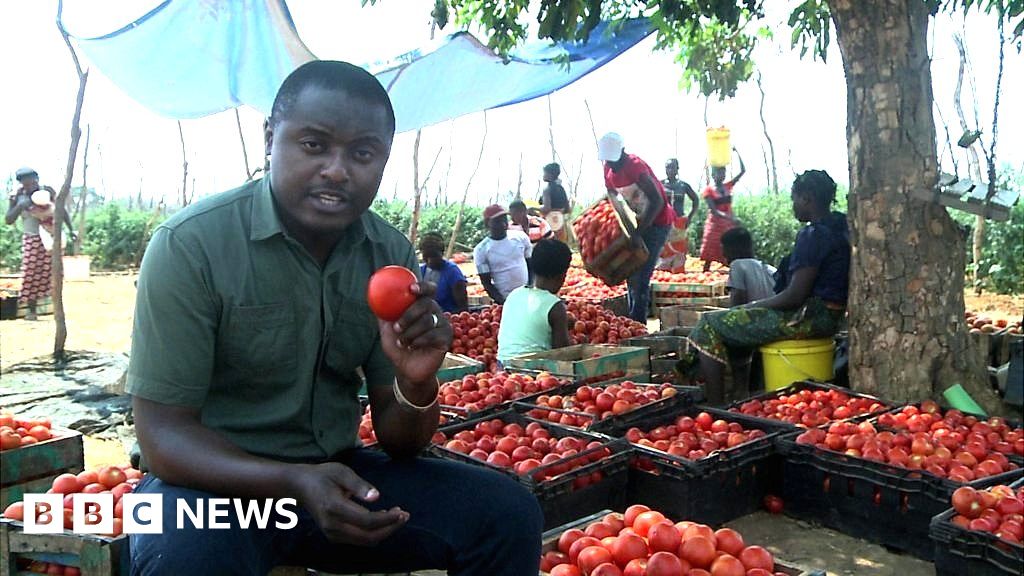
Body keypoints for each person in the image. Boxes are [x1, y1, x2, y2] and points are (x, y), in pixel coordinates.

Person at [126, 60, 542, 576]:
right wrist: (291, 483)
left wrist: (416, 380)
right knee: (186, 565)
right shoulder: (191, 247)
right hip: (207, 486)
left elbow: (401, 442)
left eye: (363, 153)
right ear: (270, 139)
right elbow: (163, 439)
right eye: (314, 144)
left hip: (332, 477)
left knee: (507, 515)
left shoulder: (387, 253)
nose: (338, 170)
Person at [688, 170, 850, 405]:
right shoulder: (840, 224)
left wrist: (752, 306)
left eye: (794, 199)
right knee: (734, 324)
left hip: (809, 318)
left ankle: (715, 406)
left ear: (807, 198)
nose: (793, 205)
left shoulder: (814, 234)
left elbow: (794, 296)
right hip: (831, 316)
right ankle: (741, 394)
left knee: (707, 325)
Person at [598, 132, 676, 323]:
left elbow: (657, 200)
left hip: (657, 223)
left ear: (623, 151)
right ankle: (633, 321)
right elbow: (612, 195)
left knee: (641, 275)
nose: (612, 164)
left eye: (614, 159)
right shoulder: (608, 167)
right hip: (636, 225)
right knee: (631, 273)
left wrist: (638, 233)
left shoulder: (635, 166)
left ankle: (637, 325)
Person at [4, 168, 74, 320]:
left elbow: (62, 211)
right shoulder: (17, 197)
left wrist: (71, 229)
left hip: (52, 237)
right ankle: (31, 310)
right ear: (22, 184)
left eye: (33, 181)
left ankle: (56, 308)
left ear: (37, 179)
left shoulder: (48, 193)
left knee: (54, 273)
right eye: (26, 183)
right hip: (32, 238)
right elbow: (8, 220)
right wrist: (19, 206)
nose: (31, 185)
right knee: (31, 273)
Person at [496, 239, 573, 367]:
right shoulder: (555, 306)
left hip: (502, 369)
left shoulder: (514, 295)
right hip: (534, 373)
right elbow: (562, 355)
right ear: (562, 275)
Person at [473, 204, 532, 305]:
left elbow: (531, 266)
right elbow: (486, 282)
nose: (503, 224)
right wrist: (503, 302)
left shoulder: (521, 237)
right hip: (504, 299)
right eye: (497, 221)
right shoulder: (481, 250)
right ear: (487, 224)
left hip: (527, 296)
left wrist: (531, 288)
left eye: (504, 219)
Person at [700, 149, 746, 271]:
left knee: (729, 251)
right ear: (713, 175)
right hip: (715, 225)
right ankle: (705, 278)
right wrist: (730, 218)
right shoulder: (708, 190)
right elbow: (714, 211)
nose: (722, 175)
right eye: (719, 172)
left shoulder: (727, 186)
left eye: (723, 172)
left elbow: (743, 171)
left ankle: (732, 277)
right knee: (709, 254)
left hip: (727, 225)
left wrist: (737, 153)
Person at [658, 158, 699, 273]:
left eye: (672, 167)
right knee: (663, 250)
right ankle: (663, 277)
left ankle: (678, 276)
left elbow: (696, 200)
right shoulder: (660, 184)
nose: (670, 170)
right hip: (664, 222)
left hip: (679, 223)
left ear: (677, 169)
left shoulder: (683, 185)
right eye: (667, 167)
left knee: (679, 250)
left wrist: (690, 218)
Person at [721, 227, 777, 307]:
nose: (723, 254)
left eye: (724, 248)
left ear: (732, 249)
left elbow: (738, 297)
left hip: (755, 317)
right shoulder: (770, 269)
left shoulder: (737, 265)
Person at [419, 232, 468, 314]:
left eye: (434, 256)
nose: (430, 260)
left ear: (442, 253)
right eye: (426, 256)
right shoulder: (420, 271)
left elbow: (463, 308)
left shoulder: (453, 272)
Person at [539, 163, 571, 242]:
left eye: (545, 173)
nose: (543, 175)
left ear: (550, 174)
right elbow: (568, 209)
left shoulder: (547, 190)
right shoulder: (561, 188)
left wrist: (532, 208)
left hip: (549, 226)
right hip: (560, 226)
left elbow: (547, 208)